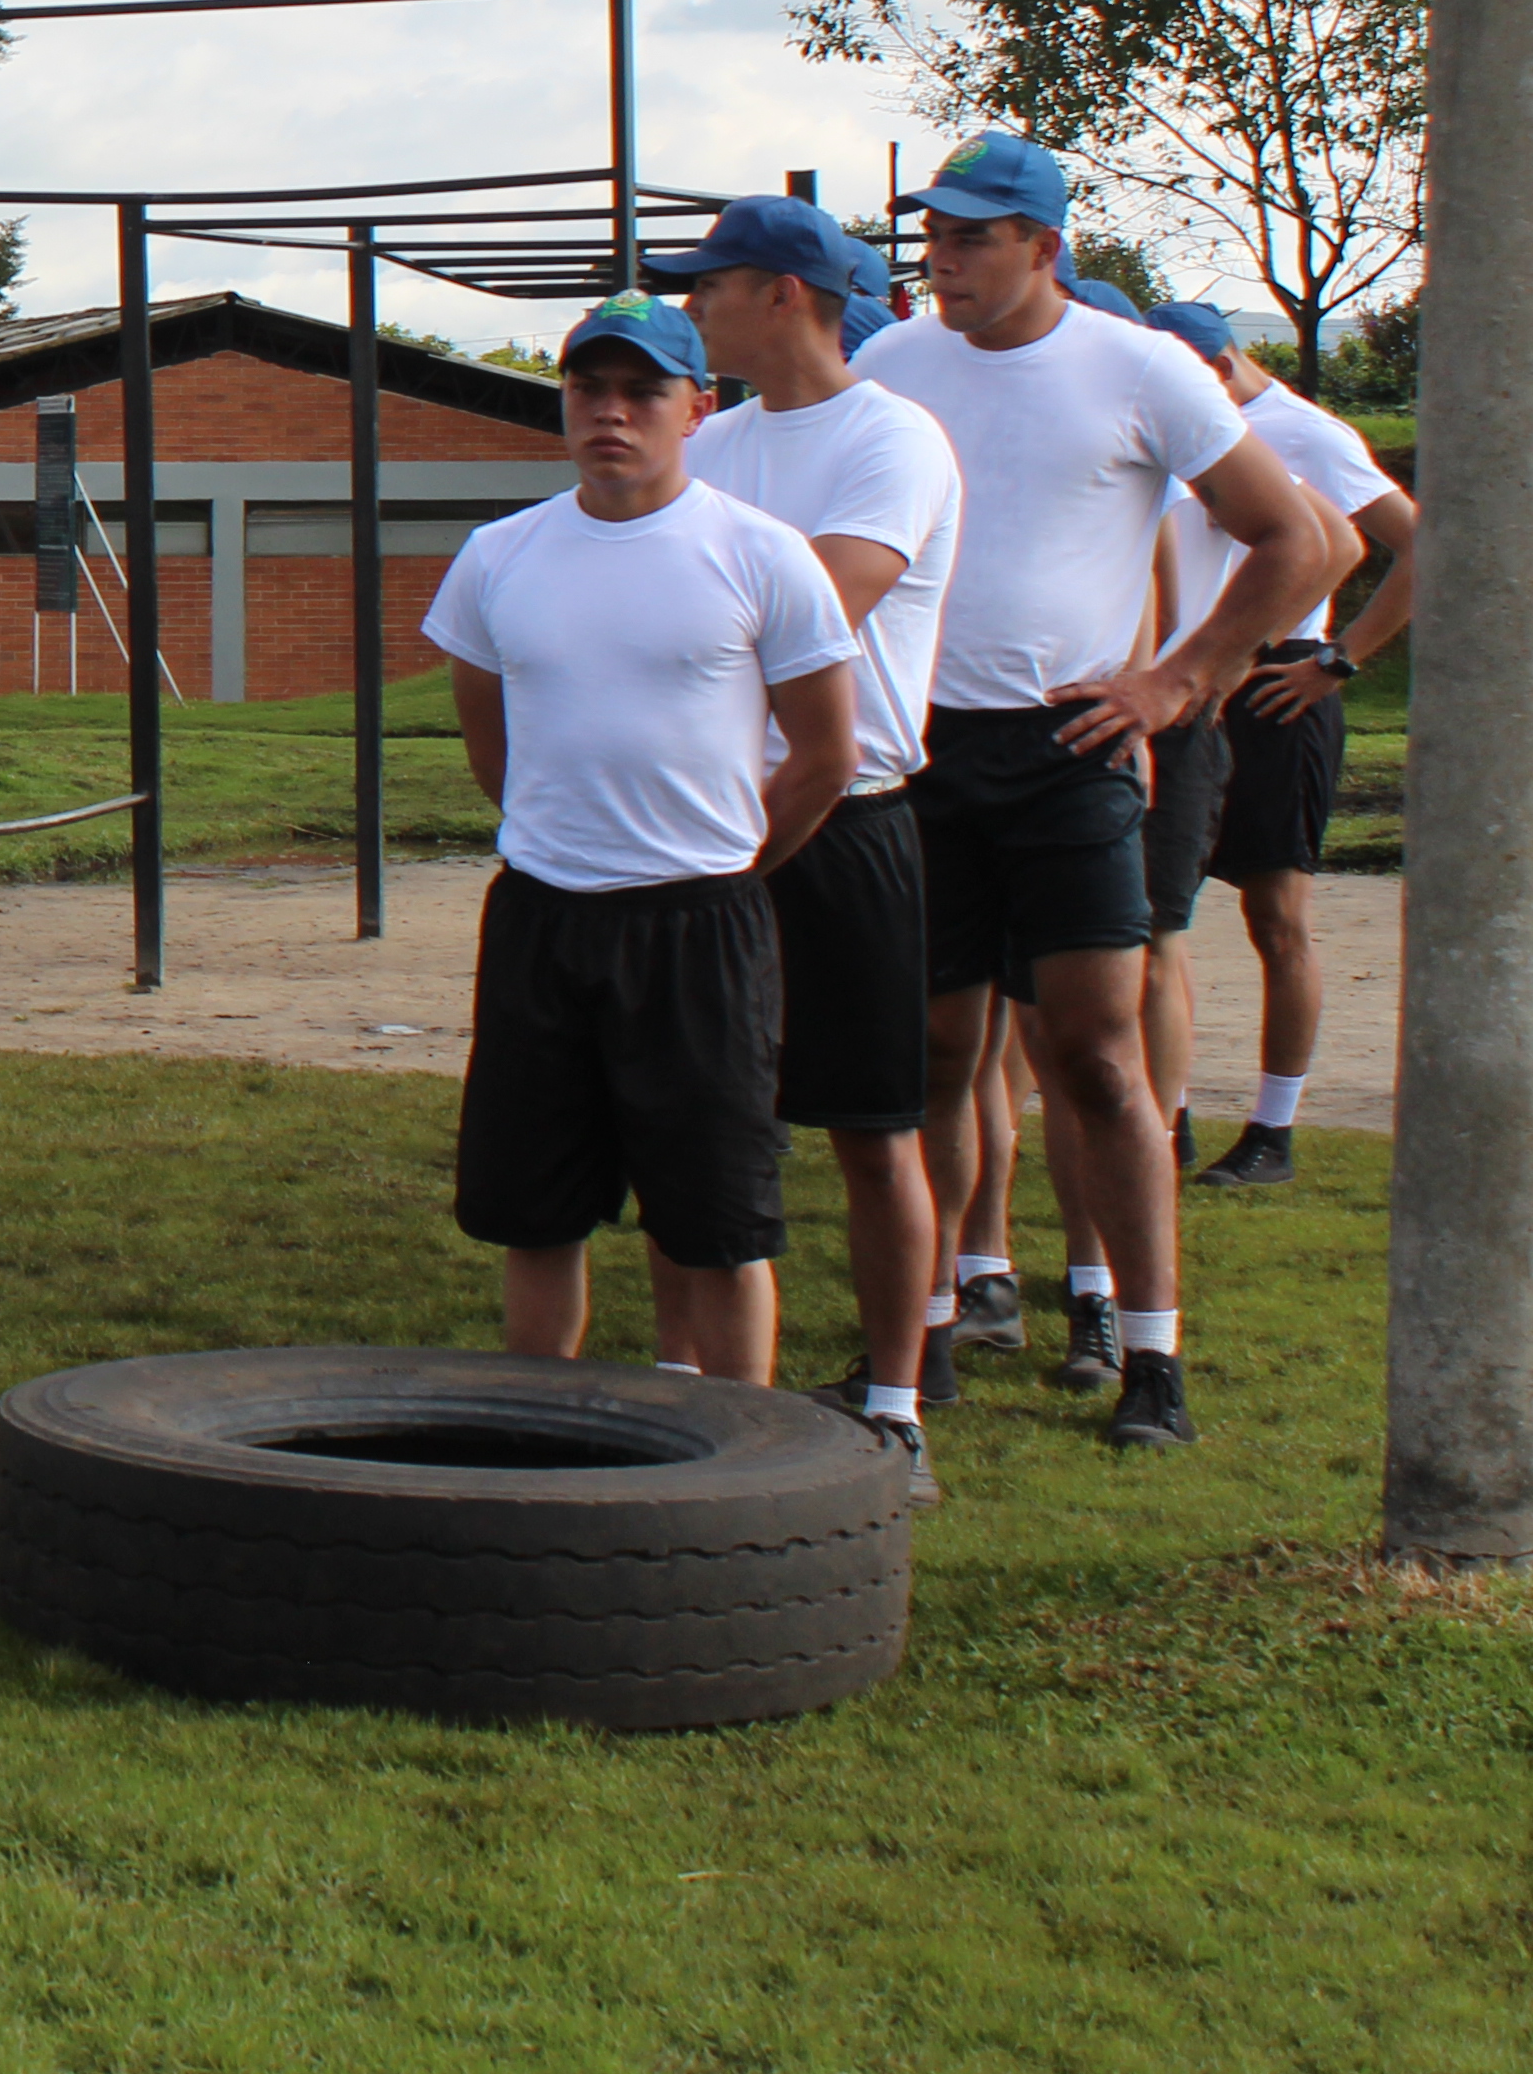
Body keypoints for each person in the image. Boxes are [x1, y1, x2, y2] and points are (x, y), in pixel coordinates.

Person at [855, 136, 1347, 1449]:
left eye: (967, 238)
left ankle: (1151, 1358)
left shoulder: (1138, 367)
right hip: (925, 753)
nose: (940, 260)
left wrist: (1181, 680)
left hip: (1070, 751)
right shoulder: (892, 363)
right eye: (931, 237)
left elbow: (1298, 539)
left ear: (1042, 249)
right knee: (936, 1055)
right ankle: (929, 1336)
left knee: (1097, 1056)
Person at [431, 293, 861, 1386]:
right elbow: (494, 742)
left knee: (717, 1218)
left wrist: (723, 862)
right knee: (538, 1212)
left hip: (699, 930)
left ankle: (738, 1460)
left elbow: (822, 754)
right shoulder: (498, 556)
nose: (611, 414)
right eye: (589, 390)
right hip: (543, 918)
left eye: (641, 392)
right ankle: (537, 1438)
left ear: (697, 408)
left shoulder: (763, 557)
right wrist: (565, 843)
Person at [653, 202, 964, 1498]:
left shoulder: (892, 437)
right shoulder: (713, 440)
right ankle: (678, 1384)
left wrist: (662, 622)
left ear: (783, 295)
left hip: (846, 817)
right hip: (704, 813)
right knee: (687, 1108)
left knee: (871, 1124)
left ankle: (894, 1398)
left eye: (708, 287)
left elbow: (824, 602)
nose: (691, 311)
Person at [1150, 300, 1413, 1193]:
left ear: (1220, 366)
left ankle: (1274, 1128)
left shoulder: (1305, 435)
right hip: (1189, 675)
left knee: (1278, 916)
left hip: (1278, 679)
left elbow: (1413, 543)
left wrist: (1337, 662)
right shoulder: (1173, 428)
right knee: (1162, 920)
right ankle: (1170, 1114)